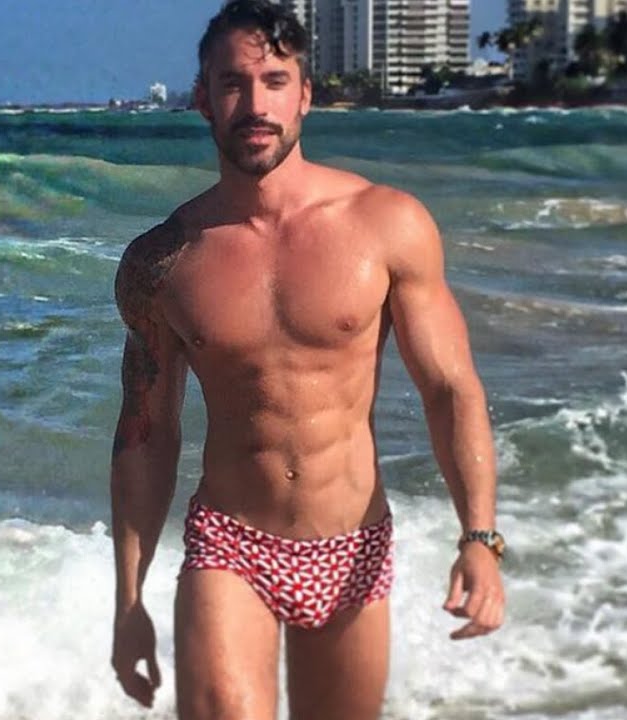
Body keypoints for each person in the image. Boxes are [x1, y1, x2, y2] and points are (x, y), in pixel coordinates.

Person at [109, 2, 505, 718]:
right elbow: (145, 433)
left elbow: (450, 389)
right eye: (233, 83)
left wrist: (479, 537)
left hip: (353, 546)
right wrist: (128, 601)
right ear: (203, 99)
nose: (255, 104)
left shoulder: (387, 224)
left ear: (306, 95)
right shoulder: (162, 262)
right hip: (230, 543)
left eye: (274, 81)